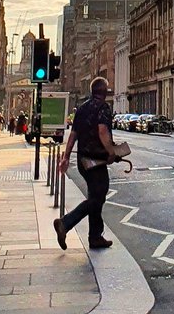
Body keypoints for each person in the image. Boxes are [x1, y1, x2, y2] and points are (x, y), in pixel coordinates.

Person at [54, 77, 117, 252]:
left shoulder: (82, 108)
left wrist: (66, 157)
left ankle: (95, 237)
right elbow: (102, 130)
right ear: (104, 92)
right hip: (96, 160)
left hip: (83, 161)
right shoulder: (103, 107)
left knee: (94, 196)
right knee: (98, 197)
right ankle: (65, 223)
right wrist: (111, 151)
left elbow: (73, 135)